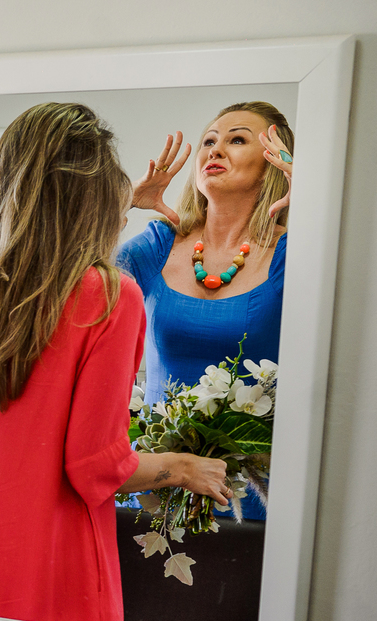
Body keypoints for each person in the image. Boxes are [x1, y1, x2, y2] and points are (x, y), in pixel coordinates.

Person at [0, 103, 231, 621]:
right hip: (52, 573)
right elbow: (94, 466)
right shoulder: (106, 296)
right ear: (93, 195)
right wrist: (182, 466)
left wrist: (25, 192)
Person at [119, 102, 291, 521]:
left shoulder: (290, 251)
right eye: (210, 141)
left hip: (249, 496)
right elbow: (77, 290)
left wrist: (319, 206)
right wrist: (122, 203)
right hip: (154, 486)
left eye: (237, 140)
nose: (215, 150)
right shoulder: (160, 241)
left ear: (273, 164)